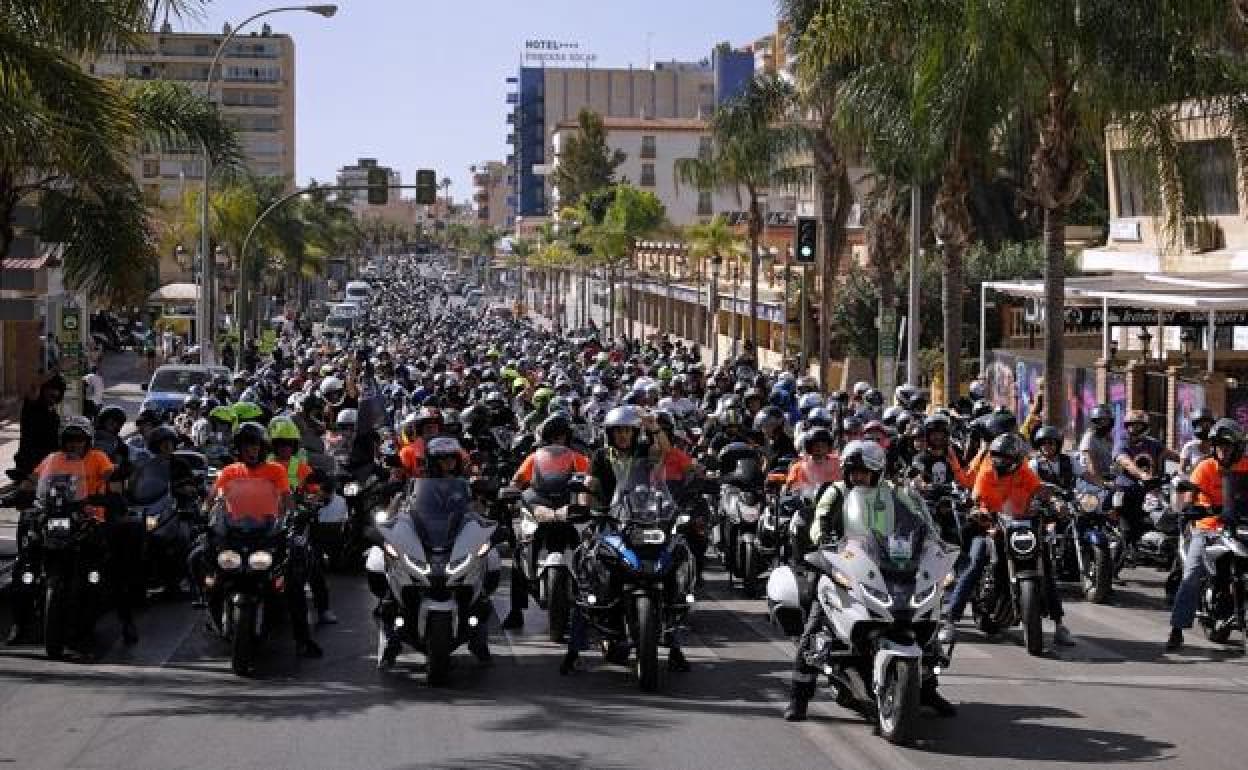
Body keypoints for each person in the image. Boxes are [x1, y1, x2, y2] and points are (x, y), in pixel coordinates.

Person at [784, 440, 955, 721]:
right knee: (815, 625)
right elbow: (820, 521)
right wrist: (824, 540)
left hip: (887, 563)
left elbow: (917, 521)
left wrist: (929, 538)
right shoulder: (835, 492)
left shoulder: (894, 494)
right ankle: (798, 696)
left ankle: (927, 688)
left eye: (864, 472)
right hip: (842, 562)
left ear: (877, 473)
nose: (858, 477)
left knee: (925, 618)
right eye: (853, 472)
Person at [193, 422, 322, 658]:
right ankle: (209, 608)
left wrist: (295, 515)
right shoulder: (229, 471)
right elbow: (212, 499)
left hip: (267, 533)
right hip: (233, 533)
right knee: (196, 557)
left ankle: (302, 639)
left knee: (295, 575)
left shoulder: (276, 471)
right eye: (245, 447)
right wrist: (203, 512)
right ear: (238, 449)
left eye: (254, 446)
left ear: (262, 448)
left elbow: (286, 500)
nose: (250, 451)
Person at [941, 433, 1074, 647]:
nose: (999, 461)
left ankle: (1059, 625)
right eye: (995, 456)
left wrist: (1055, 503)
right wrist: (978, 512)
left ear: (1016, 458)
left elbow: (1039, 489)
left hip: (1021, 526)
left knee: (1046, 566)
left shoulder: (1023, 470)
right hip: (990, 527)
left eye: (1004, 457)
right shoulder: (986, 473)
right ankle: (950, 620)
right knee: (974, 563)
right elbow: (976, 499)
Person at [7, 416, 120, 649]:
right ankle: (20, 624)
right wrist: (17, 493)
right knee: (23, 568)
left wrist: (113, 493)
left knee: (101, 569)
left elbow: (112, 477)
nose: (74, 444)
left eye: (79, 439)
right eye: (70, 439)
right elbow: (34, 480)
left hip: (88, 519)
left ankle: (108, 620)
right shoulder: (53, 459)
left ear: (87, 441)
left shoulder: (98, 458)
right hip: (53, 518)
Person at [501, 413, 590, 630]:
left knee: (593, 550)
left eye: (561, 437)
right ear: (546, 440)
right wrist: (513, 493)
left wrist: (589, 496)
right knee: (517, 555)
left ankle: (595, 603)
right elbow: (517, 480)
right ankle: (516, 611)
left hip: (568, 509)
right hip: (540, 507)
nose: (558, 442)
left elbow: (590, 479)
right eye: (554, 438)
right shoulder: (534, 458)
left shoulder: (577, 458)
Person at [1166, 418, 1248, 651]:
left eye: (1227, 445)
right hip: (1208, 527)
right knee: (1191, 575)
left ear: (1238, 447)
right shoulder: (1205, 467)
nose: (1222, 450)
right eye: (1219, 445)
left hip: (1240, 527)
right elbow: (1189, 496)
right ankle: (1177, 628)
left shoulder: (1246, 466)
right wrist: (1192, 508)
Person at [1114, 409, 1179, 554]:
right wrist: (1142, 475)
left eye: (1137, 425)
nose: (1133, 429)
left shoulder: (1153, 444)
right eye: (1130, 425)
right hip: (1127, 491)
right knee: (1127, 531)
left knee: (1168, 519)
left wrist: (1192, 463)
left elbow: (1174, 456)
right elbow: (1126, 462)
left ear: (1145, 427)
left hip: (1150, 492)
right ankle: (1116, 561)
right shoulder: (1122, 444)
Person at [9, 375, 65, 483]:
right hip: (31, 463)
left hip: (50, 464)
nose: (53, 393)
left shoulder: (54, 414)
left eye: (57, 390)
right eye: (50, 389)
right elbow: (33, 386)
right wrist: (56, 368)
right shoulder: (32, 406)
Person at [1031, 426, 1076, 491]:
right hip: (1044, 500)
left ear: (1057, 445)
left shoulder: (1069, 460)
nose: (1047, 446)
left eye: (1050, 443)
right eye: (1043, 443)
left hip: (1069, 499)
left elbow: (1086, 476)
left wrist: (1094, 486)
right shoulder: (1034, 464)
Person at [1178, 407, 1216, 478]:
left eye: (1207, 425)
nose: (1203, 428)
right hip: (1195, 484)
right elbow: (1181, 472)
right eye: (1200, 424)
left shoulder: (1218, 448)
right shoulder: (1189, 447)